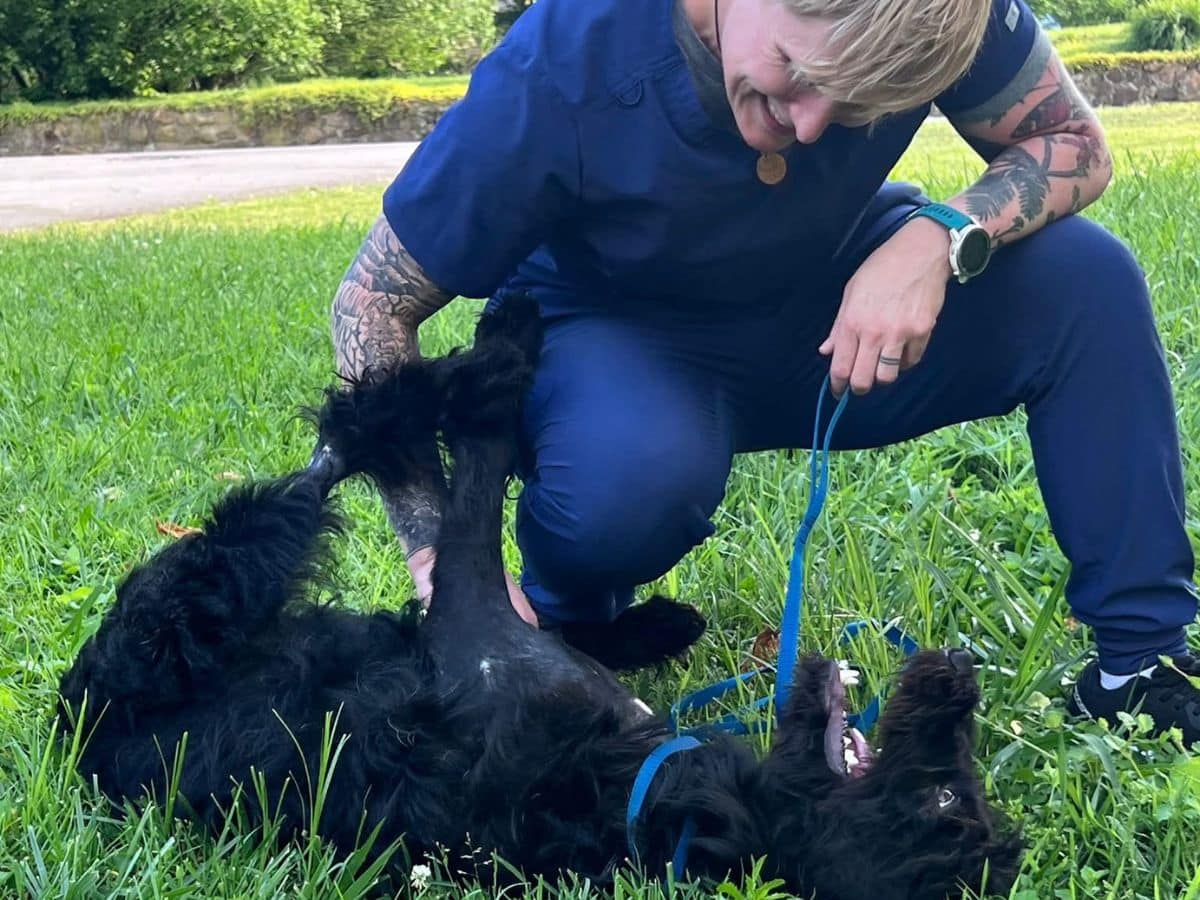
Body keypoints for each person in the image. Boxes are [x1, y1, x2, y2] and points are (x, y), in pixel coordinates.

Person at [329, 0, 1200, 742]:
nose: (812, 123)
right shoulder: (562, 62)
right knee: (626, 481)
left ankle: (1145, 660)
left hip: (829, 300)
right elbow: (369, 305)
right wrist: (447, 562)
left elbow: (1071, 140)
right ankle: (569, 620)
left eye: (858, 105)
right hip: (618, 328)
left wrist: (942, 231)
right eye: (795, 70)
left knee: (1087, 280)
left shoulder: (938, 12)